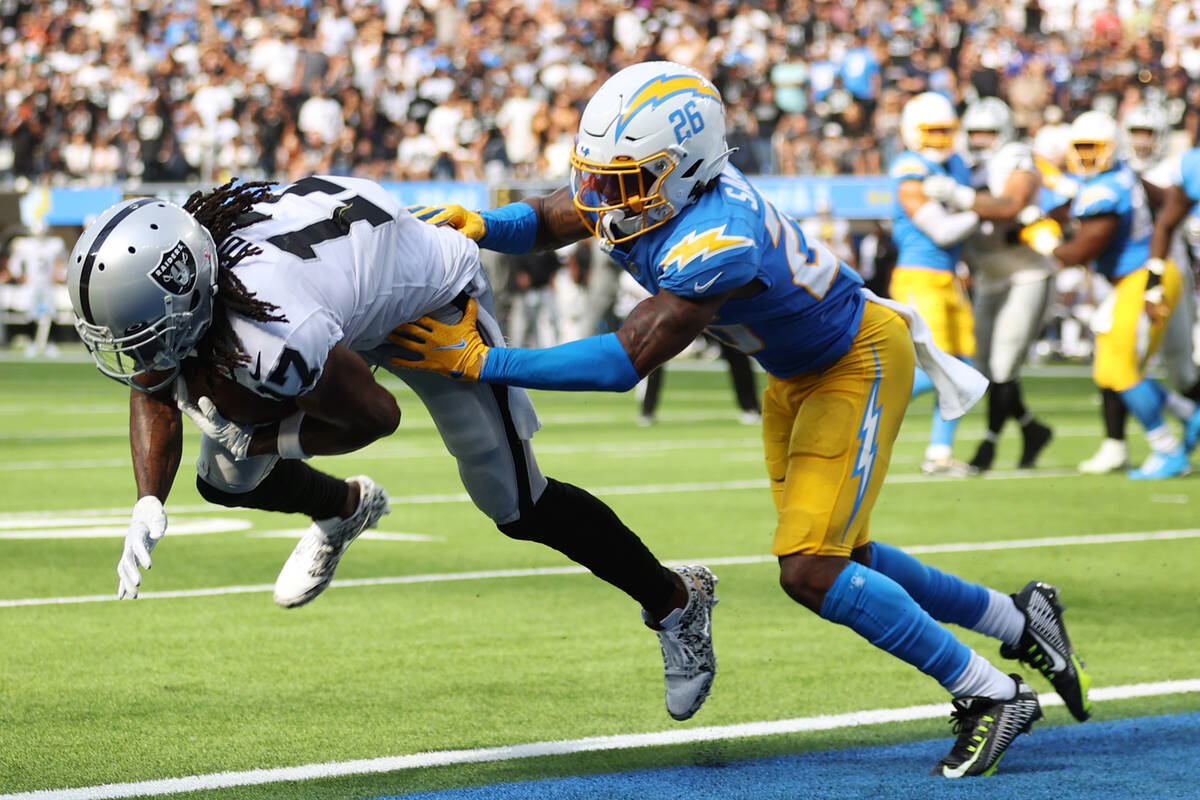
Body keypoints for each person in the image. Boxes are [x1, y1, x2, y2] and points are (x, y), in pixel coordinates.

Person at [399, 61, 1091, 777]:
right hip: (793, 372)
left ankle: (988, 692)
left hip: (853, 362)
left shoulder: (717, 238)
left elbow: (623, 360)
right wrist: (482, 224)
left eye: (624, 181)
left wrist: (481, 363)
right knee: (840, 558)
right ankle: (1018, 618)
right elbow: (554, 213)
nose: (603, 194)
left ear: (684, 171)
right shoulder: (649, 186)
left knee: (811, 571)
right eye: (600, 174)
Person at [64, 175, 717, 723]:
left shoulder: (275, 332)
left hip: (428, 305)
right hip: (345, 289)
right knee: (225, 476)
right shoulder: (196, 241)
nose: (134, 350)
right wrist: (148, 498)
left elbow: (375, 417)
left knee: (518, 504)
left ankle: (676, 602)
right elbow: (157, 368)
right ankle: (343, 509)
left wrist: (265, 436)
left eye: (142, 328)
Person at [1035, 110, 1200, 479]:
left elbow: (1081, 252)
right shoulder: (1124, 175)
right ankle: (1190, 414)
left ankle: (1167, 448)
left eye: (1094, 147)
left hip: (1143, 279)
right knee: (1107, 370)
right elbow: (1162, 201)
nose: (1087, 155)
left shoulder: (1105, 190)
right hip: (1140, 278)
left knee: (1122, 370)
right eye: (1081, 147)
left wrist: (1046, 242)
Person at [922, 97, 1054, 472]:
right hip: (988, 276)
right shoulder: (959, 161)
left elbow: (1011, 204)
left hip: (1025, 273)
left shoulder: (1015, 158)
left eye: (988, 133)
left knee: (1002, 366)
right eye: (975, 132)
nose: (980, 140)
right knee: (983, 368)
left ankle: (989, 445)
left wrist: (959, 195)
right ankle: (1031, 429)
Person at [888, 92, 980, 476]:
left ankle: (939, 452)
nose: (941, 139)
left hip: (950, 277)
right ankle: (862, 403)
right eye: (933, 131)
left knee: (964, 365)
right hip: (918, 276)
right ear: (913, 132)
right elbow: (941, 231)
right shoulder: (909, 167)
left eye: (947, 131)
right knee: (942, 367)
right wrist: (982, 211)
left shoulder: (956, 163)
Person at [7, 217, 66, 357]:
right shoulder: (25, 245)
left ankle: (51, 343)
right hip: (32, 283)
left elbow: (62, 260)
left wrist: (60, 275)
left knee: (52, 312)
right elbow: (14, 263)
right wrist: (21, 276)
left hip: (48, 283)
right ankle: (32, 342)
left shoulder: (54, 244)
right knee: (31, 312)